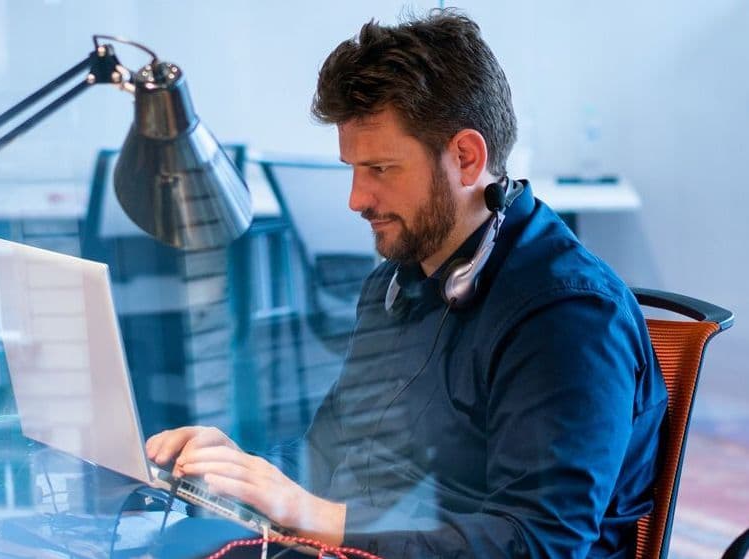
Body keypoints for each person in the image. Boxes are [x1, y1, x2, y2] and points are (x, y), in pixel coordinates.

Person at [146, 9, 667, 558]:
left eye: (381, 169)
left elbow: (538, 542)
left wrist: (314, 516)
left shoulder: (567, 315)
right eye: (352, 168)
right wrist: (241, 471)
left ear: (466, 158)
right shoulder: (396, 284)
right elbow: (327, 454)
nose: (356, 200)